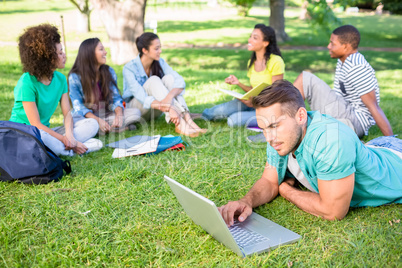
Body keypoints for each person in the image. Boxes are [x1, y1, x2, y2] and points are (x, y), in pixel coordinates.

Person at [219, 80, 402, 225]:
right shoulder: (279, 137)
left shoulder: (331, 140)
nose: (268, 137)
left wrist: (286, 190)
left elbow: (333, 211)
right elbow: (269, 180)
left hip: (396, 158)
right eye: (263, 128)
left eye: (274, 126)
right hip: (375, 147)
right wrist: (246, 201)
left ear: (300, 116)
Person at [9, 24, 102, 156]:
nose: (63, 55)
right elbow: (36, 125)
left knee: (92, 124)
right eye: (59, 53)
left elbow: (67, 114)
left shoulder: (60, 79)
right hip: (25, 134)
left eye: (62, 51)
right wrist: (65, 139)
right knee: (43, 136)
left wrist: (69, 136)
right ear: (46, 58)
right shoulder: (26, 83)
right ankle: (75, 149)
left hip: (47, 132)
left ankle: (66, 147)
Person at [122, 32, 205, 137]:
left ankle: (188, 119)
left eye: (160, 48)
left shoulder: (159, 62)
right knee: (153, 80)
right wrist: (170, 108)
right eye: (156, 49)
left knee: (169, 79)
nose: (160, 51)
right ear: (145, 50)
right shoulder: (129, 68)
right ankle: (181, 124)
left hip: (156, 110)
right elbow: (141, 97)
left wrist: (169, 97)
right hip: (138, 110)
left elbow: (179, 81)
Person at [202, 24, 285, 128]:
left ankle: (265, 120)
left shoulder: (276, 61)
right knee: (213, 112)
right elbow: (253, 89)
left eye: (255, 38)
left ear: (265, 43)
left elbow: (276, 94)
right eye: (250, 36)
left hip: (268, 109)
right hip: (253, 103)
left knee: (233, 121)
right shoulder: (252, 62)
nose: (250, 40)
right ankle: (191, 116)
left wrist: (255, 101)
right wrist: (238, 84)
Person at [69, 38, 141, 135]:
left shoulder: (109, 71)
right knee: (77, 121)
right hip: (88, 117)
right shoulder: (75, 77)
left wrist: (119, 115)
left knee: (135, 113)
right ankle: (112, 128)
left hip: (106, 114)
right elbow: (79, 107)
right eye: (101, 49)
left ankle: (104, 129)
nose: (105, 52)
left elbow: (115, 98)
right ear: (90, 53)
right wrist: (97, 120)